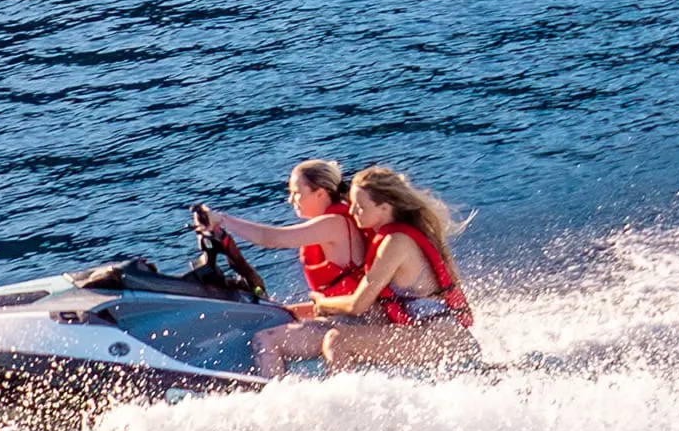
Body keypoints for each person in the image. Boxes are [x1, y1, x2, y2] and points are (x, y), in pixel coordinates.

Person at [298, 165, 480, 371]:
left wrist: (324, 304)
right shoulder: (391, 236)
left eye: (360, 207)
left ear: (385, 208)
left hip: (440, 339)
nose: (351, 211)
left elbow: (357, 305)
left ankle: (346, 401)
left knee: (336, 340)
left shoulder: (395, 243)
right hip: (430, 334)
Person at [191, 160, 366, 374]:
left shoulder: (333, 224)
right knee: (274, 314)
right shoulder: (331, 223)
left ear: (320, 193)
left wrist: (222, 219)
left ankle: (276, 396)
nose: (290, 199)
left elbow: (270, 238)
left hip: (356, 322)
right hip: (341, 316)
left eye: (296, 193)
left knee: (266, 339)